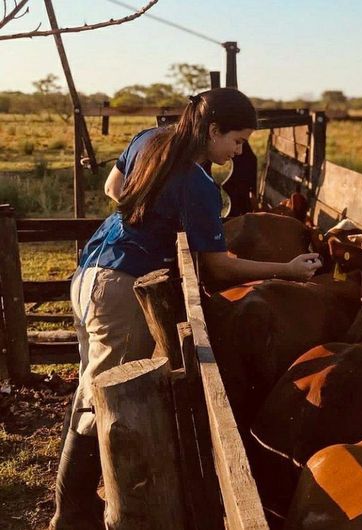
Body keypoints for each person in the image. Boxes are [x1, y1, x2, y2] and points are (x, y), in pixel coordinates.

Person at [50, 87, 321, 530]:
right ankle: (73, 513)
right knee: (105, 403)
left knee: (89, 388)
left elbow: (113, 188)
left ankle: (73, 505)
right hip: (121, 290)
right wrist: (288, 269)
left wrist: (148, 209)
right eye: (236, 140)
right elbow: (219, 266)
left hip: (91, 273)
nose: (237, 150)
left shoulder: (148, 139)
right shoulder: (197, 183)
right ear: (212, 130)